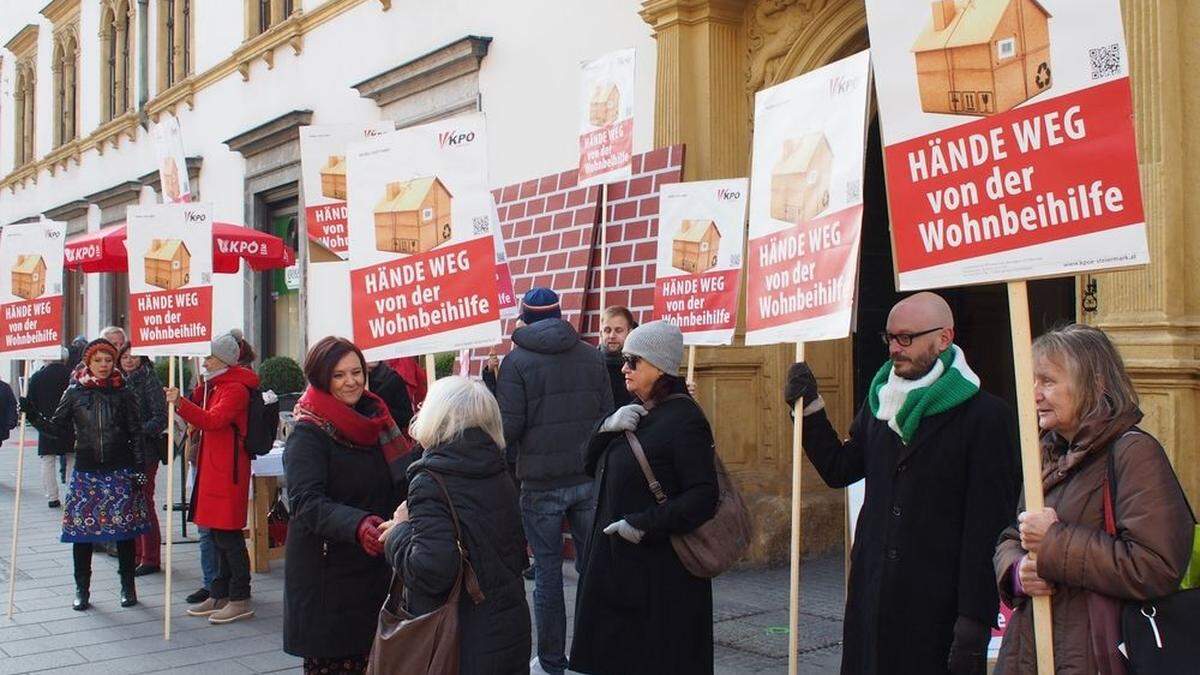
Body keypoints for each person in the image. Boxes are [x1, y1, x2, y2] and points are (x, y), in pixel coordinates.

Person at [785, 292, 1018, 674]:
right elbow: (840, 469)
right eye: (890, 337)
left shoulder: (987, 417)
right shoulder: (880, 403)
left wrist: (974, 623)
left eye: (906, 338)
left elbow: (988, 527)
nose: (895, 348)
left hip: (936, 610)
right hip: (872, 602)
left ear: (944, 338)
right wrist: (809, 409)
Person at [993, 324, 1194, 673]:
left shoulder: (1133, 452)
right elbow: (1016, 534)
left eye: (1048, 382)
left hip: (1095, 657)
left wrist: (1053, 543)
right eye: (1033, 381)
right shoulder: (1046, 451)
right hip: (1030, 653)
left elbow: (1156, 566)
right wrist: (1017, 571)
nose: (1034, 394)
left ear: (1095, 383)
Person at [570, 320, 718, 674]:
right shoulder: (637, 411)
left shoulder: (684, 419)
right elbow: (589, 465)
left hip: (658, 580)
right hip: (618, 572)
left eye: (633, 361)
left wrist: (642, 526)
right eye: (624, 359)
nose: (624, 368)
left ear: (660, 365)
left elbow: (703, 495)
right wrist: (606, 428)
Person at [495, 287, 613, 675]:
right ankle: (592, 653)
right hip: (587, 478)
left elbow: (509, 428)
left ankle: (551, 662)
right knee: (592, 568)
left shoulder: (515, 363)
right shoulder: (591, 355)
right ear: (560, 315)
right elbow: (606, 416)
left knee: (546, 574)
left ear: (524, 318)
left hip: (540, 484)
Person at [381, 376, 531, 674]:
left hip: (460, 636)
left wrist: (399, 531)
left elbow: (433, 570)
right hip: (507, 627)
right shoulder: (497, 468)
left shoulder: (430, 480)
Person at [283, 337, 412, 674]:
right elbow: (305, 502)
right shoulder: (308, 433)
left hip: (377, 565)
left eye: (357, 372)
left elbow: (403, 480)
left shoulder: (378, 421)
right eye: (339, 375)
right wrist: (357, 525)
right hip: (329, 574)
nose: (352, 381)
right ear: (322, 379)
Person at [22, 338, 150, 610]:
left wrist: (140, 468)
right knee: (82, 534)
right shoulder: (75, 392)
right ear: (88, 363)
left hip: (119, 467)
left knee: (124, 532)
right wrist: (32, 415)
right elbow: (57, 428)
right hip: (86, 469)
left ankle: (128, 587)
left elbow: (136, 433)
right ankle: (82, 589)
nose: (104, 365)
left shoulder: (124, 392)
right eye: (98, 360)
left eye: (108, 360)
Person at [165, 331, 259, 624]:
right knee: (218, 533)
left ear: (223, 360)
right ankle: (220, 594)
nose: (204, 362)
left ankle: (240, 597)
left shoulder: (234, 388)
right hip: (217, 466)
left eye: (208, 357)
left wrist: (181, 403)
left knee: (228, 535)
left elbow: (214, 420)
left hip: (227, 469)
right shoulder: (218, 385)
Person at [117, 344, 168, 576]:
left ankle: (150, 557)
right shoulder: (120, 380)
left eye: (133, 356)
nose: (128, 360)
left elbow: (161, 417)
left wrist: (136, 432)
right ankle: (136, 553)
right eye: (124, 356)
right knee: (131, 502)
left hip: (145, 453)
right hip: (125, 452)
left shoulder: (149, 380)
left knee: (144, 502)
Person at [26, 348, 74, 508]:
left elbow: (31, 402)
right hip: (70, 423)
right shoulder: (72, 374)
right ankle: (72, 493)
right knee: (71, 458)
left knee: (48, 460)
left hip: (46, 422)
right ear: (65, 359)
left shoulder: (37, 377)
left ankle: (52, 497)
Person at [598, 306, 637, 408]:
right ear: (601, 333)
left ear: (630, 332)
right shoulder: (591, 364)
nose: (612, 335)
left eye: (618, 330)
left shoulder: (638, 366)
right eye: (607, 330)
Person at [367, 359, 414, 433]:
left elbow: (407, 417)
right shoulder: (354, 381)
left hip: (388, 437)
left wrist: (381, 410)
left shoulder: (392, 378)